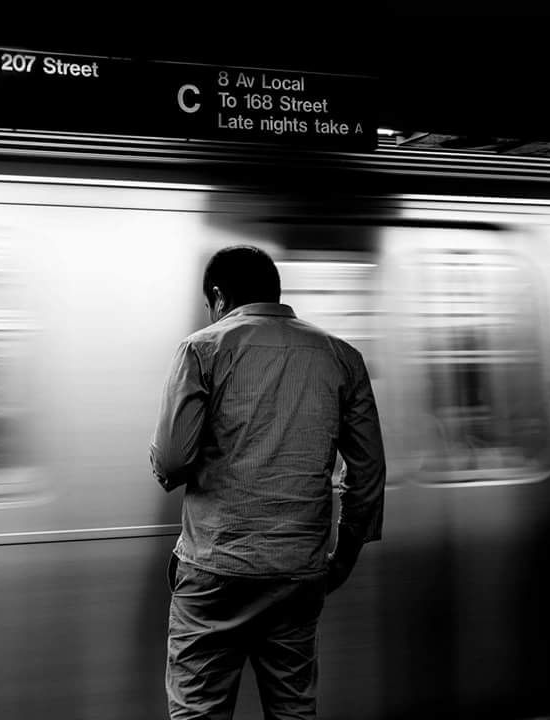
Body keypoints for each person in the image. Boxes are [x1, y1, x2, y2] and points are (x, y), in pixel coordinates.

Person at [150, 245, 386, 720]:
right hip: (298, 572)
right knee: (293, 710)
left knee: (199, 713)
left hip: (215, 568)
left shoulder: (202, 348)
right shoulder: (342, 357)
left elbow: (173, 460)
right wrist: (342, 556)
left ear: (218, 296)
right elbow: (368, 472)